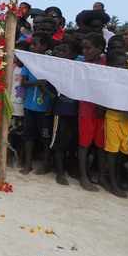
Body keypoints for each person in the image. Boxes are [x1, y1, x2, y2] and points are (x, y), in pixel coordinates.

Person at [19, 33, 55, 175]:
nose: (32, 47)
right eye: (31, 45)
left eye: (35, 44)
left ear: (45, 46)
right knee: (28, 136)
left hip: (45, 109)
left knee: (45, 138)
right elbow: (23, 83)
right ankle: (28, 164)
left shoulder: (50, 64)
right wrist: (37, 82)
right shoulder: (29, 63)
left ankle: (45, 164)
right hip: (29, 107)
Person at [77, 33, 106, 191]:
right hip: (86, 107)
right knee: (84, 144)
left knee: (101, 144)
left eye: (88, 48)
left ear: (100, 49)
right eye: (83, 48)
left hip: (102, 107)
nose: (85, 51)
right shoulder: (80, 63)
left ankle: (102, 177)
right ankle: (84, 177)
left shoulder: (105, 63)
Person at [102, 51, 128, 198]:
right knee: (112, 152)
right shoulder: (109, 82)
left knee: (122, 152)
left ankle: (117, 179)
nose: (124, 67)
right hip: (112, 118)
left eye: (126, 64)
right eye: (120, 65)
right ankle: (113, 184)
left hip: (127, 120)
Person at [50, 41, 79, 186]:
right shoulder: (56, 69)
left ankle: (69, 168)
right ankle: (60, 173)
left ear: (73, 55)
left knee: (71, 142)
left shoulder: (78, 69)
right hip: (60, 111)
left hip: (75, 112)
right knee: (59, 142)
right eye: (59, 50)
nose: (60, 53)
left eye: (64, 50)